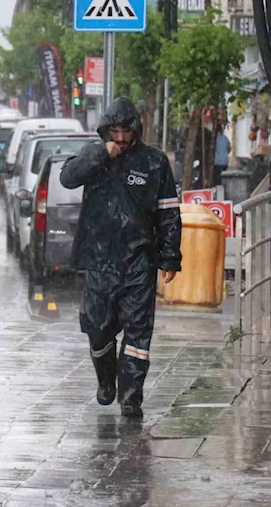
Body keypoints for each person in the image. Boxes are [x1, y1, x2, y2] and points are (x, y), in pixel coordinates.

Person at [60, 97, 182, 418]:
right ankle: (106, 380)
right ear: (105, 130)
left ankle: (131, 396)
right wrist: (101, 154)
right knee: (97, 329)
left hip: (140, 260)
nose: (120, 137)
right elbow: (68, 177)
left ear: (136, 130)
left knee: (138, 331)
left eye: (125, 131)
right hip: (99, 258)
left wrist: (170, 257)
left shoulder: (154, 162)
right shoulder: (95, 155)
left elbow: (169, 212)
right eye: (114, 131)